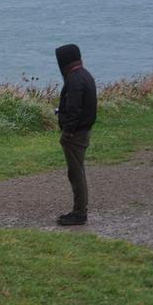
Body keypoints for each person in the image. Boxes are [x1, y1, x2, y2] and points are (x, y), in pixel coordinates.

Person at [55, 44, 97, 226]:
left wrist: (67, 132)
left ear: (64, 61)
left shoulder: (74, 79)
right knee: (77, 170)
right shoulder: (84, 75)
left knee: (76, 172)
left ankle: (79, 212)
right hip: (83, 131)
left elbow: (74, 109)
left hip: (76, 134)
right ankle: (80, 210)